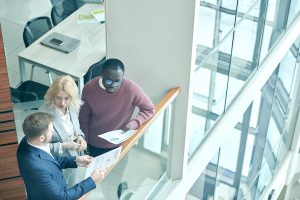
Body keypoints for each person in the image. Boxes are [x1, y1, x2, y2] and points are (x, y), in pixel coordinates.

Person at [79, 58, 155, 198]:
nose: (112, 85)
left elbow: (149, 109)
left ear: (122, 78)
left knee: (115, 180)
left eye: (117, 81)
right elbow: (84, 120)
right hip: (94, 146)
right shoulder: (89, 88)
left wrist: (134, 123)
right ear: (102, 74)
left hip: (119, 146)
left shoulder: (131, 89)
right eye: (108, 81)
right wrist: (85, 147)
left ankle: (116, 195)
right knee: (97, 181)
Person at [16, 112, 105, 200]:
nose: (53, 132)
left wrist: (76, 160)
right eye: (51, 131)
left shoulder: (29, 140)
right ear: (42, 138)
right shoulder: (37, 169)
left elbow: (49, 160)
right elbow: (62, 197)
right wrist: (92, 180)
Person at [40, 75, 87, 187]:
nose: (62, 103)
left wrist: (80, 137)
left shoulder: (72, 106)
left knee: (74, 189)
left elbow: (76, 128)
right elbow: (38, 148)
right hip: (58, 165)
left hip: (76, 160)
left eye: (67, 98)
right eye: (58, 98)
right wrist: (64, 145)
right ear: (52, 96)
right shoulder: (43, 114)